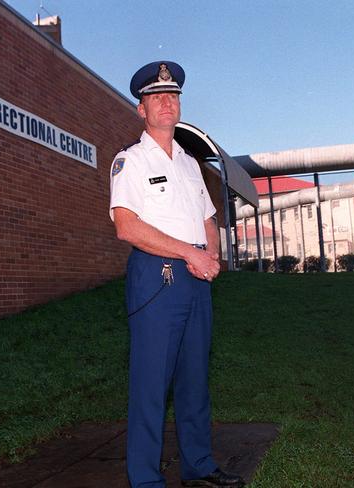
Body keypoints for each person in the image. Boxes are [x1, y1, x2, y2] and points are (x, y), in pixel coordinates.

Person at [109, 61, 245, 488]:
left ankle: (199, 466)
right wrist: (190, 253)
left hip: (196, 278)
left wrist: (211, 256)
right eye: (156, 97)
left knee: (194, 380)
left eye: (173, 96)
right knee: (151, 385)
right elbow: (126, 225)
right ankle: (146, 480)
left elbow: (208, 217)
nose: (167, 103)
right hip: (158, 278)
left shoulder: (188, 162)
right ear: (142, 110)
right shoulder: (129, 161)